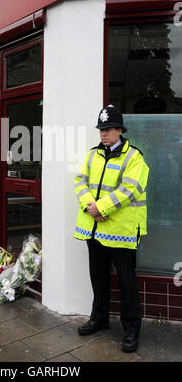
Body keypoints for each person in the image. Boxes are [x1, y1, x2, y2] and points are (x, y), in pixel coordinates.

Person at [74, 105, 149, 353]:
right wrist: (90, 206)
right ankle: (100, 318)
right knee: (98, 277)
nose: (103, 134)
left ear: (119, 130)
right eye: (101, 130)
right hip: (94, 231)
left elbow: (130, 190)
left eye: (107, 129)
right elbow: (80, 181)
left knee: (127, 282)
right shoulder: (92, 154)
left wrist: (101, 208)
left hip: (122, 231)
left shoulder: (134, 157)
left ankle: (131, 329)